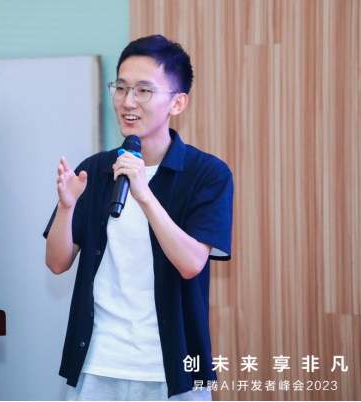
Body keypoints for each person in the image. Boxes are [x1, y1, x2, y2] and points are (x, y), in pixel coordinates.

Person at [43, 35, 234, 401]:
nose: (128, 102)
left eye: (144, 91)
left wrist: (144, 194)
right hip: (97, 365)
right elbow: (56, 263)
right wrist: (66, 208)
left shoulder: (207, 173)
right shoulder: (95, 169)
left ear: (177, 102)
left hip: (173, 371)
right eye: (121, 88)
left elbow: (192, 263)